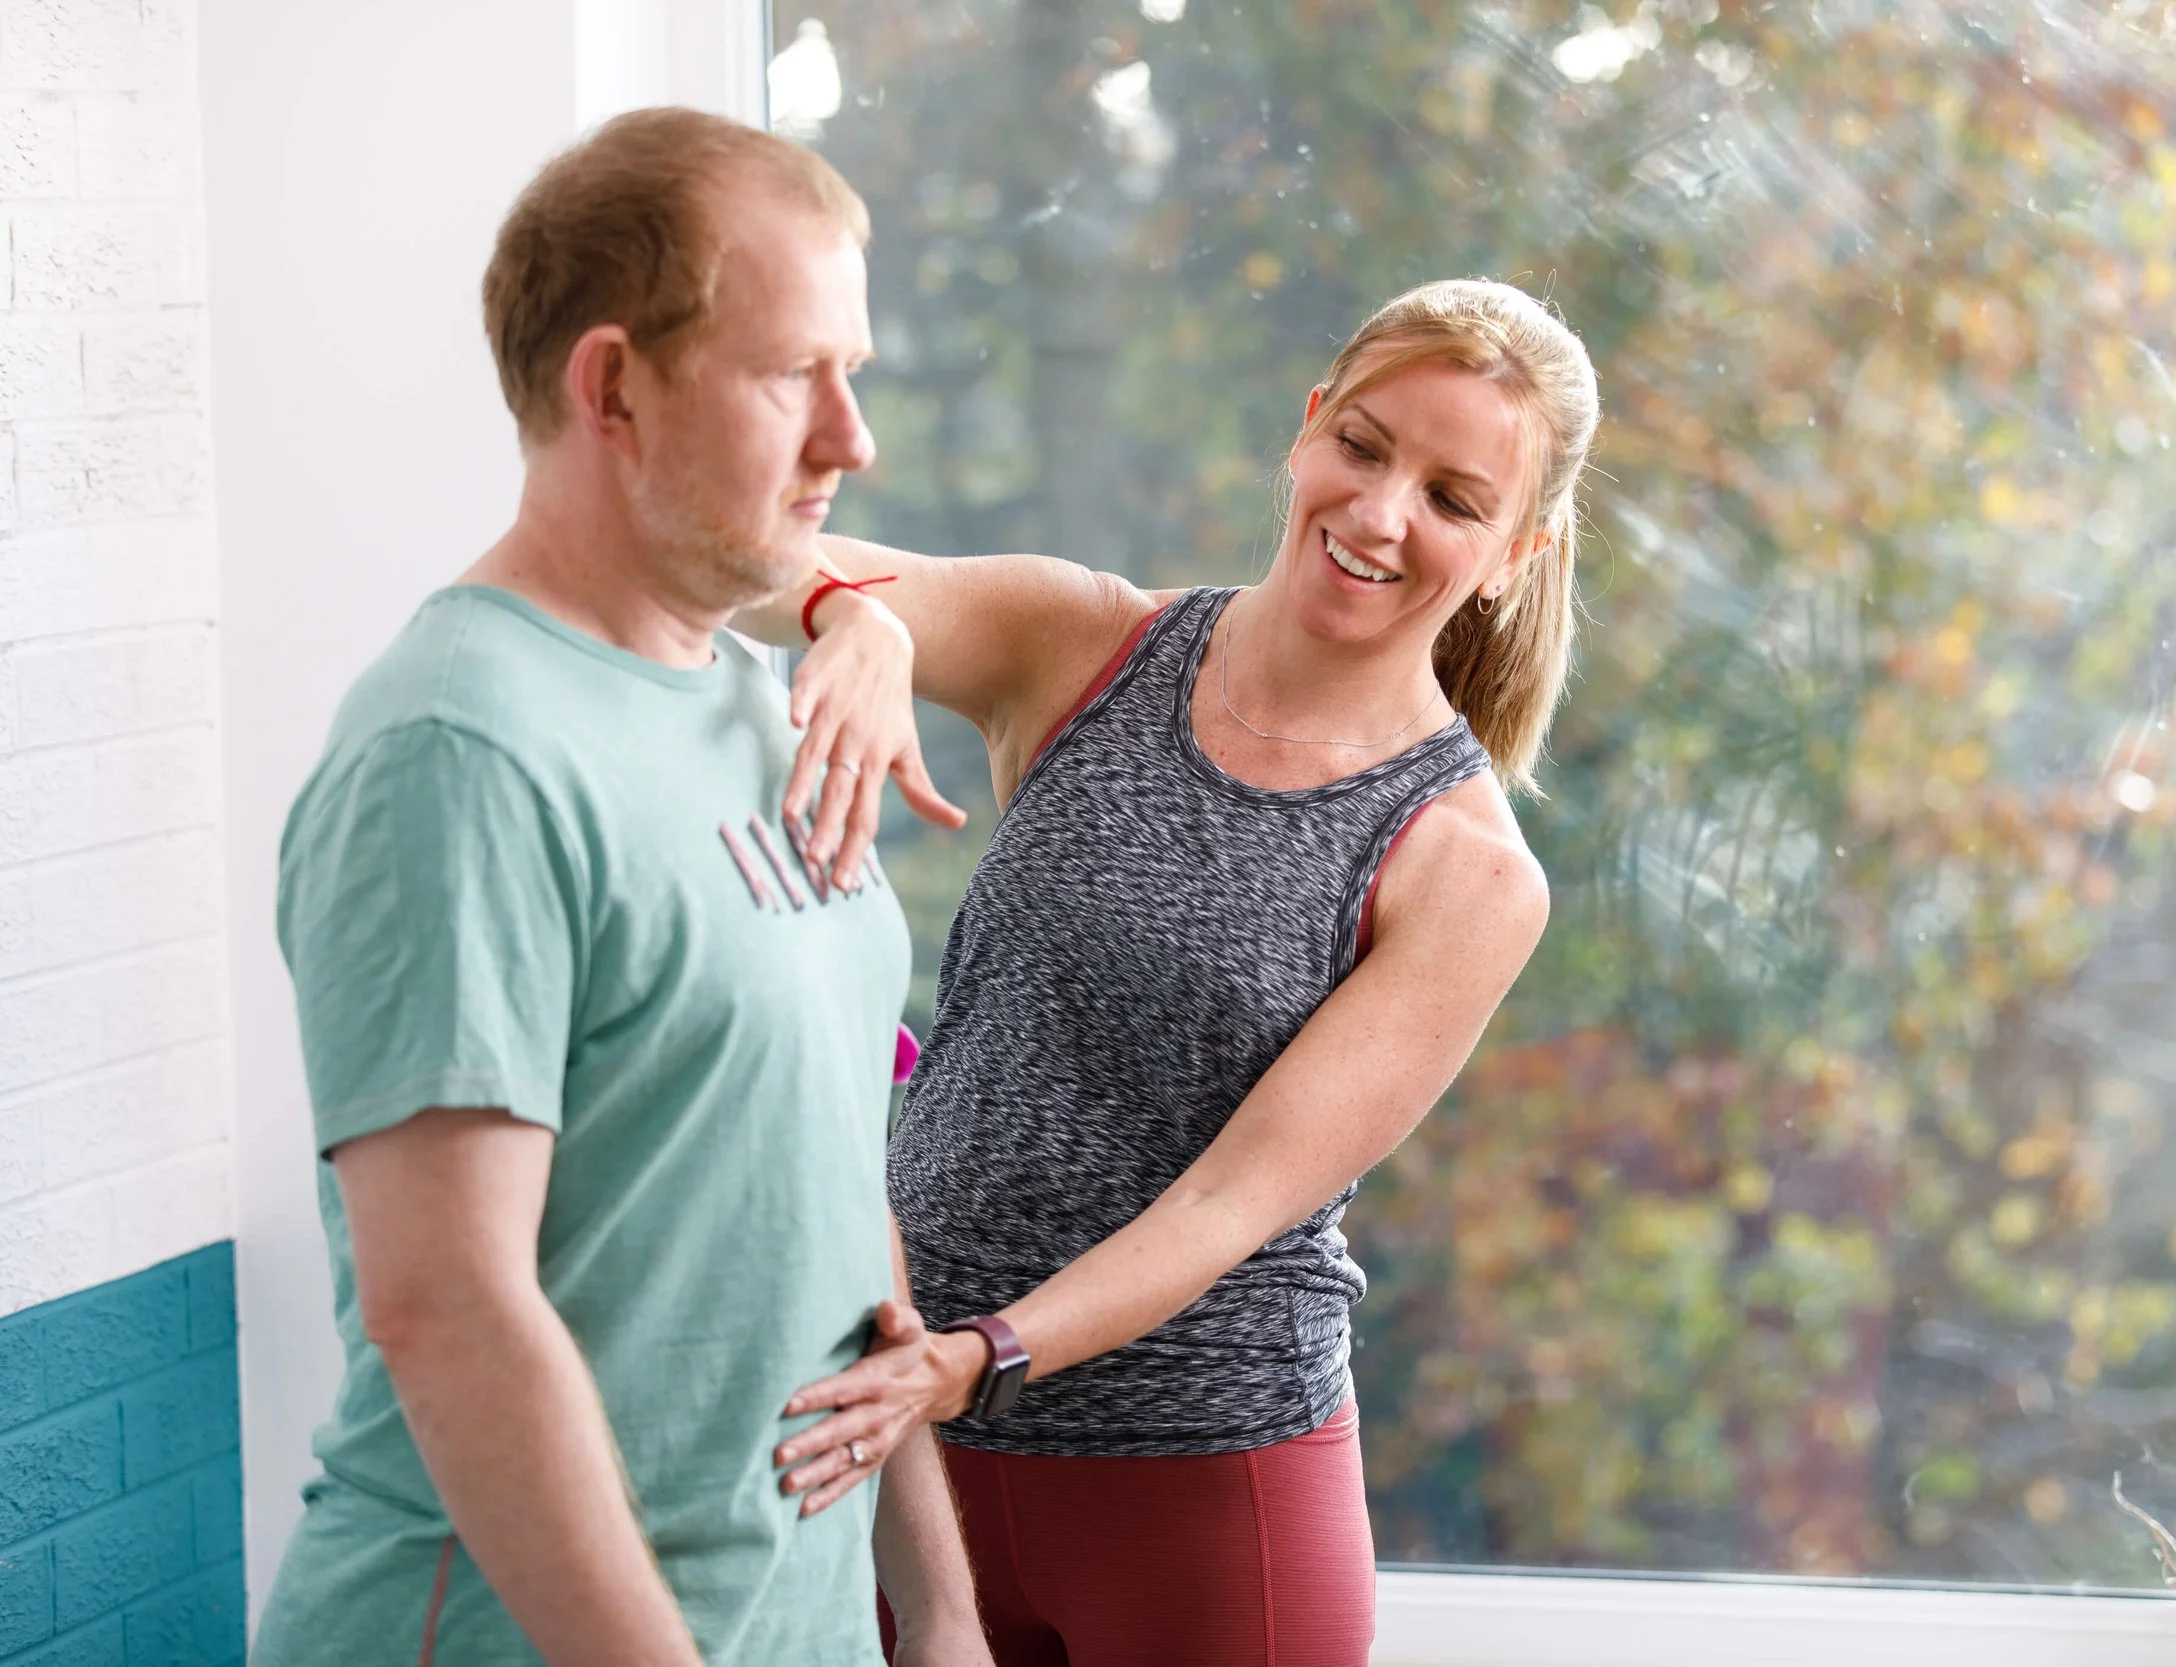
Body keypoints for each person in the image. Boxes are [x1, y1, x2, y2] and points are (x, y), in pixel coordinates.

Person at [741, 278, 1600, 1667]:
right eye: (1366, 447)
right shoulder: (1084, 643)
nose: (1382, 514)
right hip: (901, 1456)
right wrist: (869, 621)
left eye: (1454, 497)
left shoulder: (1465, 871)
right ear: (1308, 428)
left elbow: (1228, 1203)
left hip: (1203, 1501)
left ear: (1515, 549)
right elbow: (743, 564)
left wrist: (975, 1359)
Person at [249, 109, 987, 1667]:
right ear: (612, 387)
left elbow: (834, 1196)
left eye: (853, 372)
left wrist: (937, 1604)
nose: (854, 438)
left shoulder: (762, 707)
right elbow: (448, 1308)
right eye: (797, 373)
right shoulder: (457, 750)